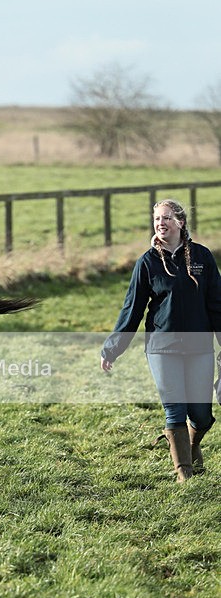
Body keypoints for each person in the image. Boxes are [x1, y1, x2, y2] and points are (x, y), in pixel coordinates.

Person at [101, 198, 221, 482]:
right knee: (174, 408)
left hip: (199, 347)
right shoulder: (147, 262)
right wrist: (112, 348)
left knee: (201, 414)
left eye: (166, 218)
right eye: (157, 219)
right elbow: (132, 309)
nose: (160, 223)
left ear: (180, 222)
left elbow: (217, 305)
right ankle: (184, 474)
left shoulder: (203, 257)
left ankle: (190, 446)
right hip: (161, 348)